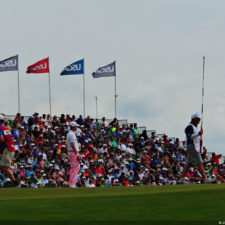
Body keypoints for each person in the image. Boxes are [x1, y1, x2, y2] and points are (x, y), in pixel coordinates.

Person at [178, 112, 211, 184]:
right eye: (197, 119)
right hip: (192, 146)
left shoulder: (195, 127)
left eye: (199, 119)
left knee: (189, 163)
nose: (199, 120)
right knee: (200, 162)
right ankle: (205, 178)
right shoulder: (190, 126)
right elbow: (190, 136)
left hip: (194, 146)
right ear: (193, 119)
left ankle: (182, 179)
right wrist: (198, 134)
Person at [0, 115, 17, 186]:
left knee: (4, 167)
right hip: (10, 148)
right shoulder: (6, 128)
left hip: (8, 149)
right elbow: (10, 139)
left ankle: (14, 181)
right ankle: (14, 178)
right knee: (3, 166)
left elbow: (1, 139)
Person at [66, 121, 81, 188]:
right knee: (75, 168)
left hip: (72, 152)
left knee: (74, 168)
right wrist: (77, 154)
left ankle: (72, 183)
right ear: (73, 127)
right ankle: (72, 184)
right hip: (73, 152)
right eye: (76, 126)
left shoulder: (70, 134)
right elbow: (72, 144)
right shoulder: (71, 134)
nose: (76, 127)